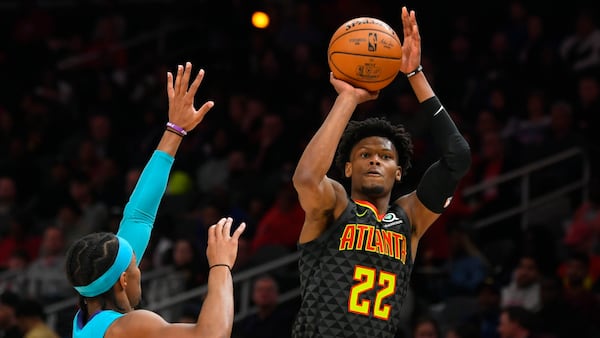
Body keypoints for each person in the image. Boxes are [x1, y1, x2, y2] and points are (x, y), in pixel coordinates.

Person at [291, 7, 472, 338]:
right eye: (365, 154)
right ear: (347, 167)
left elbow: (457, 156)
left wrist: (414, 74)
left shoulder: (409, 220)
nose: (375, 160)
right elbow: (306, 179)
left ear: (399, 172)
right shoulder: (335, 208)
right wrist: (348, 99)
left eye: (385, 156)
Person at [64, 62, 246, 338]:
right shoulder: (126, 326)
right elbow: (211, 335)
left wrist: (175, 131)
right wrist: (220, 265)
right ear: (123, 279)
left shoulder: (85, 320)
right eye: (135, 264)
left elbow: (138, 215)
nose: (139, 265)